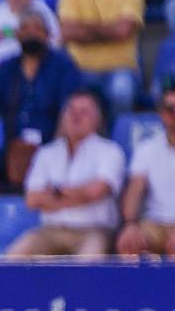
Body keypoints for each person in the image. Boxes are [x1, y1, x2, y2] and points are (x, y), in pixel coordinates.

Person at [0, 9, 82, 200]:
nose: (31, 33)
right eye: (25, 28)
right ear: (17, 34)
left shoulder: (63, 66)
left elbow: (69, 109)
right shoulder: (6, 68)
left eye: (38, 28)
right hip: (14, 148)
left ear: (48, 35)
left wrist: (57, 150)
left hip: (52, 146)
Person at [9, 91, 125, 257]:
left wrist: (54, 193)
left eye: (84, 111)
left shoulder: (110, 151)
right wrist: (80, 196)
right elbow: (32, 199)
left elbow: (95, 192)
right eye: (71, 110)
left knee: (90, 259)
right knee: (15, 255)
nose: (76, 116)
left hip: (92, 231)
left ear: (97, 119)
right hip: (50, 231)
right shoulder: (46, 152)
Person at [58, 0, 145, 120]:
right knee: (62, 92)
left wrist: (84, 28)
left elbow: (123, 32)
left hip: (120, 69)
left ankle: (116, 144)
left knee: (121, 91)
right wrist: (109, 28)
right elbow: (66, 31)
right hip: (79, 69)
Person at [117, 83, 175, 256]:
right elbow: (135, 190)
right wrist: (130, 224)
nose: (174, 113)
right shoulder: (147, 148)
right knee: (128, 243)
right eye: (169, 108)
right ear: (161, 113)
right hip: (154, 223)